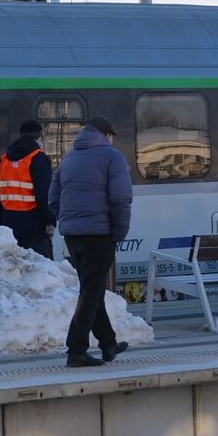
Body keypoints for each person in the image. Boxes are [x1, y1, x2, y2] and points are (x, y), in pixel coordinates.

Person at [48, 116, 133, 368]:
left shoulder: (69, 157)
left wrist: (69, 221)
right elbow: (120, 199)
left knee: (91, 288)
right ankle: (76, 349)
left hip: (73, 235)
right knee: (90, 291)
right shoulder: (112, 157)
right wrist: (118, 232)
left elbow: (53, 198)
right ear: (106, 135)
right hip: (100, 234)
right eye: (112, 136)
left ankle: (108, 343)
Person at [0, 119, 56, 258]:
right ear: (38, 137)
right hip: (34, 229)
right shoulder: (37, 158)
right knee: (40, 272)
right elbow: (43, 196)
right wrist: (50, 220)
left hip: (8, 227)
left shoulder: (4, 159)